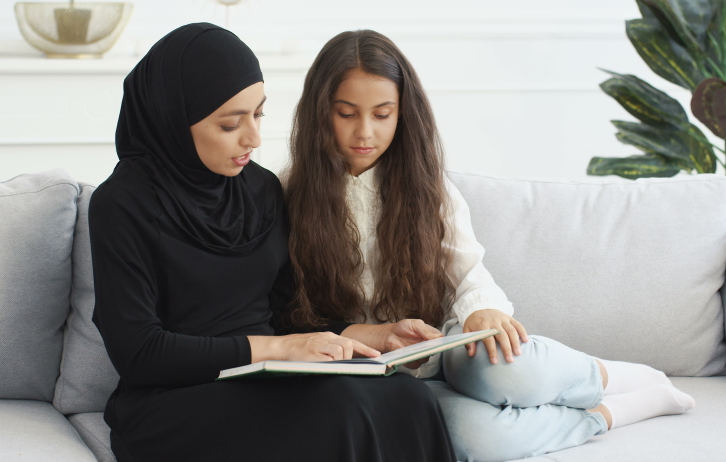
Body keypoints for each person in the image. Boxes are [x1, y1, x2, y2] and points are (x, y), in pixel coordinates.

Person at [283, 29, 696, 462]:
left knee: (507, 373)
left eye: (382, 114)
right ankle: (612, 411)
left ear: (403, 115)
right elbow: (287, 313)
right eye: (346, 113)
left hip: (444, 343)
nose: (364, 132)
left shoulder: (426, 187)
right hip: (375, 372)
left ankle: (618, 375)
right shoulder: (287, 194)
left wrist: (481, 308)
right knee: (475, 443)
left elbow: (468, 273)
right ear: (319, 113)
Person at [88, 23, 456, 462]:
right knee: (337, 408)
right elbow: (141, 353)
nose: (253, 139)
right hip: (174, 399)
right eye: (230, 124)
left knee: (406, 397)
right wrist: (281, 349)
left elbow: (286, 315)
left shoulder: (260, 190)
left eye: (258, 115)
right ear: (173, 118)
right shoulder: (120, 205)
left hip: (267, 378)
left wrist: (373, 335)